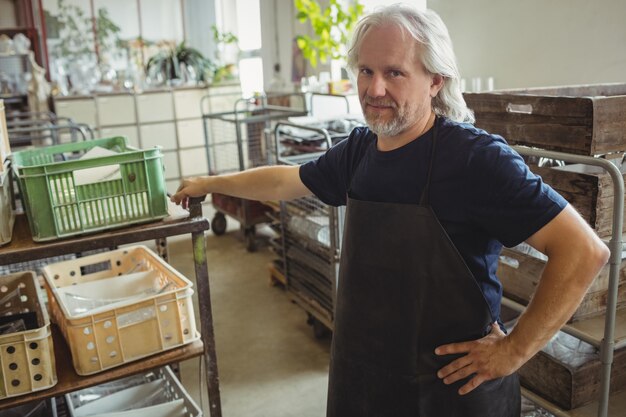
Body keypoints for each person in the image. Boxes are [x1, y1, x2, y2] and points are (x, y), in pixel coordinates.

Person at [172, 4, 609, 416]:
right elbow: (288, 179)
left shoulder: (476, 160)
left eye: (394, 73)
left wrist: (514, 350)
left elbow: (583, 251)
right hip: (365, 381)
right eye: (366, 70)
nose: (374, 89)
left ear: (436, 80)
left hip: (449, 394)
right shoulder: (360, 151)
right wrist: (211, 183)